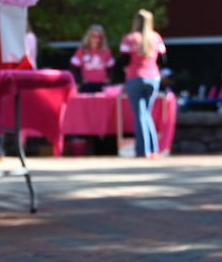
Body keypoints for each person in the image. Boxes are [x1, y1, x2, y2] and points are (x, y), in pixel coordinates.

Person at [119, 9, 166, 158]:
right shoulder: (156, 38)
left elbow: (124, 61)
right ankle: (154, 150)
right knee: (146, 114)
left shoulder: (130, 38)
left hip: (135, 78)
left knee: (140, 115)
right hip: (153, 78)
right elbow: (162, 61)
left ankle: (142, 151)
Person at [70, 25, 115, 93]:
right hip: (87, 85)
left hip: (102, 85)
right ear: (89, 37)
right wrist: (81, 80)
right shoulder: (82, 51)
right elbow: (73, 68)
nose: (96, 39)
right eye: (93, 36)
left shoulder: (106, 51)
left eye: (99, 37)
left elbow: (111, 68)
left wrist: (109, 79)